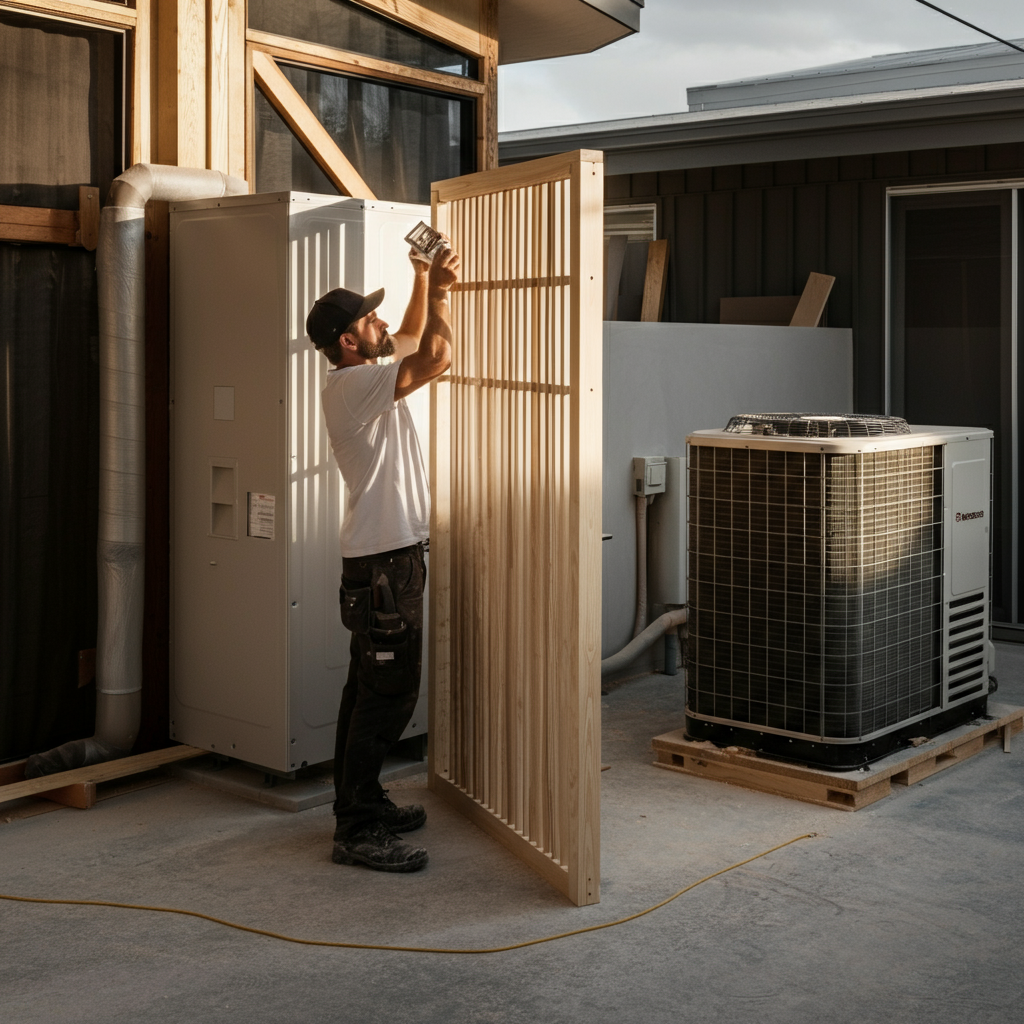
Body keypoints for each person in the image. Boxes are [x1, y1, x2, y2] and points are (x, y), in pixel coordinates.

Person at [305, 243, 459, 873]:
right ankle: (357, 830)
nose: (381, 326)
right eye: (369, 321)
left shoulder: (360, 379)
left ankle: (360, 800)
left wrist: (426, 281)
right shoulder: (354, 387)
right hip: (384, 567)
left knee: (365, 690)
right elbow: (437, 355)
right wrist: (438, 284)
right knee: (389, 695)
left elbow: (413, 334)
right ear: (347, 341)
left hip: (384, 563)